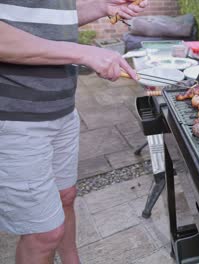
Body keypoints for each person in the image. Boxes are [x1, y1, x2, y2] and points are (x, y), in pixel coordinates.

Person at [0, 1, 148, 263]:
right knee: (43, 234)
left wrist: (102, 7)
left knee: (65, 196)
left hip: (63, 110)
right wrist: (81, 53)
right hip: (14, 117)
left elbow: (48, 18)